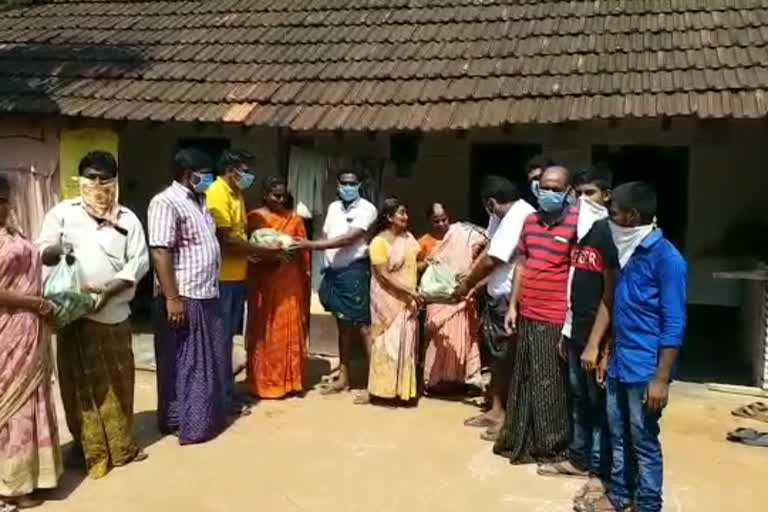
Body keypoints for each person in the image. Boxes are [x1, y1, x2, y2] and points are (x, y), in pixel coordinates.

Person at [37, 151, 150, 479]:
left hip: (113, 313)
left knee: (118, 382)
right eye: (91, 177)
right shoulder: (62, 214)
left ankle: (121, 446)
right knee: (77, 387)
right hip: (73, 314)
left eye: (104, 178)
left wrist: (109, 291)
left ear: (114, 180)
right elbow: (42, 251)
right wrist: (59, 251)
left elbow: (138, 262)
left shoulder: (128, 219)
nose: (97, 184)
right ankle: (89, 450)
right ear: (80, 179)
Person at [585, 182, 686, 512]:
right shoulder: (625, 251)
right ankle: (620, 496)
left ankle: (647, 504)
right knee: (618, 433)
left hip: (645, 369)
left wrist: (662, 378)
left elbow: (673, 323)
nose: (609, 220)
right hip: (619, 362)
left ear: (631, 216)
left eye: (613, 214)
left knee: (642, 439)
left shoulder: (667, 259)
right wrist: (605, 351)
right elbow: (617, 305)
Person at [537, 167, 618, 506]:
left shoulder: (608, 236)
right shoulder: (581, 234)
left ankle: (600, 472)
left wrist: (600, 346)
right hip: (574, 331)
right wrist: (567, 330)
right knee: (579, 400)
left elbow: (610, 294)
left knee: (599, 406)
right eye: (580, 194)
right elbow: (574, 283)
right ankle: (580, 458)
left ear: (606, 197)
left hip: (594, 337)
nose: (583, 200)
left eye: (591, 194)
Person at [493, 164, 577, 463]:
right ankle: (522, 436)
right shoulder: (530, 221)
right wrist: (513, 305)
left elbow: (577, 273)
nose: (549, 193)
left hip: (555, 317)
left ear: (569, 192)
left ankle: (551, 445)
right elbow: (522, 265)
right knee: (525, 377)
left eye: (557, 188)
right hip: (527, 311)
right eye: (545, 187)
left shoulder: (577, 224)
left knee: (550, 383)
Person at [147, 148, 227, 445]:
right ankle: (191, 424)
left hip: (207, 292)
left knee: (208, 360)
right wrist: (172, 298)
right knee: (188, 362)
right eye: (205, 174)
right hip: (185, 294)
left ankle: (198, 417)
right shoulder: (165, 202)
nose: (210, 180)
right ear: (187, 174)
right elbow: (160, 250)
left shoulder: (201, 202)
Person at [0, 175, 62, 511]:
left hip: (29, 330)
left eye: (5, 199)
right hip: (7, 329)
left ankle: (35, 476)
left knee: (32, 399)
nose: (3, 206)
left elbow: (33, 261)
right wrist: (33, 304)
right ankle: (11, 485)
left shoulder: (14, 232)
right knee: (10, 405)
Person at [454, 176, 535, 434]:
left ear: (490, 203)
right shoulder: (505, 215)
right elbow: (490, 246)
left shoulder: (518, 216)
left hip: (510, 296)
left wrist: (466, 285)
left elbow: (494, 258)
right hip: (497, 292)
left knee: (507, 356)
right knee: (498, 356)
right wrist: (473, 279)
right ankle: (496, 409)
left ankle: (507, 417)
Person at [293, 171, 377, 401]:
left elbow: (349, 239)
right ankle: (344, 376)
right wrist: (322, 249)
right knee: (342, 325)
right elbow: (329, 234)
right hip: (334, 274)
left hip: (355, 272)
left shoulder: (367, 209)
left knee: (363, 327)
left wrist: (312, 245)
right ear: (338, 185)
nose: (348, 186)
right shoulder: (332, 208)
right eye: (344, 183)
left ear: (359, 184)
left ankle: (374, 384)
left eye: (352, 183)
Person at [206, 149, 266, 416]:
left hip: (237, 276)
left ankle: (227, 390)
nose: (248, 175)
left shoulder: (236, 194)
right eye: (245, 169)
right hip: (222, 279)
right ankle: (222, 397)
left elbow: (239, 234)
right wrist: (262, 251)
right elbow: (227, 239)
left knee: (228, 338)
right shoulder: (217, 193)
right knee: (220, 339)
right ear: (231, 170)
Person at [246, 177, 310, 399]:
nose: (280, 199)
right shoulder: (255, 218)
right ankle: (265, 383)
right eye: (276, 195)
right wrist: (270, 254)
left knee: (289, 327)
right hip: (264, 280)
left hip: (289, 281)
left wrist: (293, 252)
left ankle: (291, 381)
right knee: (266, 331)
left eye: (283, 195)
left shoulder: (294, 220)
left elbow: (304, 250)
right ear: (265, 194)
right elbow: (249, 251)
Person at [418, 203, 486, 392]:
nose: (441, 224)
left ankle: (461, 380)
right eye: (436, 221)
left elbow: (489, 241)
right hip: (438, 299)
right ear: (429, 222)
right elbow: (413, 268)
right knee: (440, 339)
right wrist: (428, 263)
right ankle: (436, 381)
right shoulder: (424, 242)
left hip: (462, 296)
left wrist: (471, 275)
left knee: (463, 337)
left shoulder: (463, 234)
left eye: (444, 219)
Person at [366, 198, 422, 403]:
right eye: (401, 213)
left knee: (405, 344)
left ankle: (403, 391)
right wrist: (409, 291)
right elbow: (383, 276)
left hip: (408, 299)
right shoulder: (378, 242)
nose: (405, 217)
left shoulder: (409, 239)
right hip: (386, 299)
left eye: (406, 212)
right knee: (385, 342)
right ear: (389, 217)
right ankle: (383, 391)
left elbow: (415, 263)